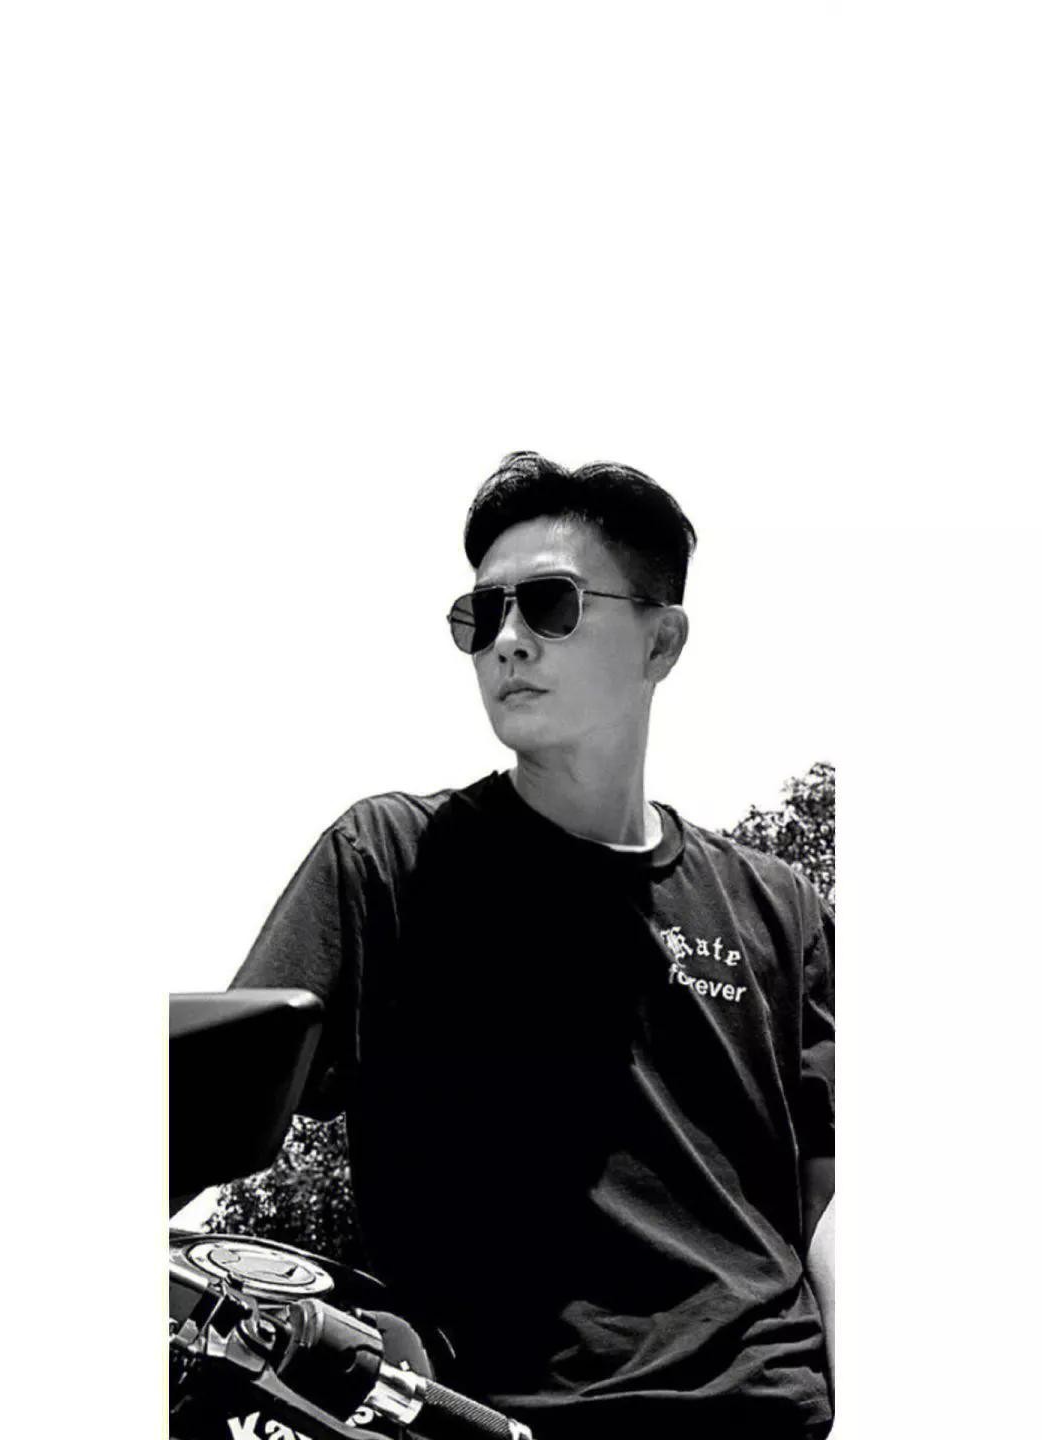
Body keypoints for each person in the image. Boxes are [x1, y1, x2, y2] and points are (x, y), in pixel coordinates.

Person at [231, 452, 835, 1440]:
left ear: (661, 641)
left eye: (551, 605)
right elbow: (197, 1110)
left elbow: (831, 1196)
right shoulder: (388, 862)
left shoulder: (780, 908)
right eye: (481, 615)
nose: (507, 640)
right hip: (486, 1421)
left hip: (770, 1415)